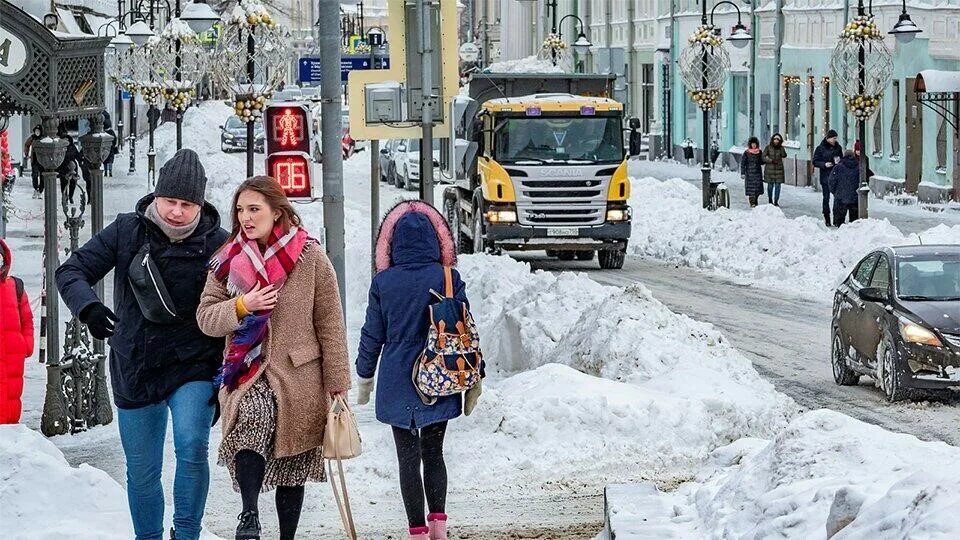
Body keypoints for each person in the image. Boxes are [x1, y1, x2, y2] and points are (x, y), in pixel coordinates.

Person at [56, 149, 229, 540]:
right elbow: (71, 271)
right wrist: (90, 308)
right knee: (143, 468)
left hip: (194, 364)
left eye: (187, 205)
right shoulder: (127, 230)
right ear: (156, 196)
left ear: (200, 205)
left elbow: (246, 297)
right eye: (170, 201)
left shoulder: (219, 243)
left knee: (191, 446)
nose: (177, 212)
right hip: (136, 363)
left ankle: (186, 533)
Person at [196, 176, 351, 540]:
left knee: (293, 462)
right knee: (252, 416)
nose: (246, 218)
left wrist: (338, 384)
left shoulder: (310, 256)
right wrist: (241, 304)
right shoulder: (228, 259)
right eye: (240, 210)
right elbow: (205, 318)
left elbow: (330, 324)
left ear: (277, 211)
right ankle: (249, 515)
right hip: (247, 370)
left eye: (254, 209)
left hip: (301, 374)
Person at [356, 200, 482, 540]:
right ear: (435, 242)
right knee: (434, 452)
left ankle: (417, 532)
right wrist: (475, 377)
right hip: (440, 374)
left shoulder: (384, 283)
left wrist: (364, 376)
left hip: (397, 379)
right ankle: (439, 527)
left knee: (407, 460)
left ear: (392, 245)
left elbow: (373, 334)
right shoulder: (447, 277)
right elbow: (465, 328)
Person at [0, 238, 34, 424]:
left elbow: (27, 320)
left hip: (12, 359)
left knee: (11, 404)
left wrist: (25, 344)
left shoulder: (15, 287)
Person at [812, 129, 844, 226]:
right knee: (826, 198)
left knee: (837, 198)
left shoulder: (838, 148)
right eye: (833, 138)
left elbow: (841, 159)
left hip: (836, 176)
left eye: (835, 138)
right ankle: (827, 218)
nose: (834, 140)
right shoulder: (820, 148)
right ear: (828, 138)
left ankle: (836, 218)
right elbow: (815, 161)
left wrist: (838, 163)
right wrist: (824, 164)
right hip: (825, 176)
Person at [828, 149, 862, 226]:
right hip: (855, 197)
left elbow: (831, 181)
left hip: (840, 197)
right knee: (854, 222)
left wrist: (834, 192)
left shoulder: (838, 167)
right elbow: (863, 179)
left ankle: (839, 232)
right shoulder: (859, 167)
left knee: (839, 221)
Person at [762, 133, 787, 206]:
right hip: (770, 170)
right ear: (772, 140)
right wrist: (770, 160)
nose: (776, 141)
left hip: (779, 170)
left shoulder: (781, 148)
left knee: (778, 186)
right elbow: (763, 157)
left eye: (778, 140)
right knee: (770, 186)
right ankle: (770, 199)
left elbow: (784, 155)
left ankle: (776, 201)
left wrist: (782, 148)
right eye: (775, 139)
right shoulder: (768, 147)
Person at [740, 137, 764, 207]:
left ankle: (755, 200)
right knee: (751, 190)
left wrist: (766, 159)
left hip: (757, 173)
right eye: (752, 144)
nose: (754, 145)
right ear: (750, 144)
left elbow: (761, 162)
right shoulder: (746, 152)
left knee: (757, 190)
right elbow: (743, 163)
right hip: (749, 174)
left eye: (755, 144)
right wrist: (743, 173)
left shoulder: (759, 152)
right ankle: (752, 203)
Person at [23, 125, 44, 199]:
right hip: (34, 159)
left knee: (42, 176)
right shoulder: (32, 138)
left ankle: (40, 191)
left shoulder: (43, 138)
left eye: (38, 131)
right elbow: (26, 145)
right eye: (36, 131)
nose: (37, 133)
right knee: (34, 175)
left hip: (42, 160)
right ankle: (36, 189)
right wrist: (26, 153)